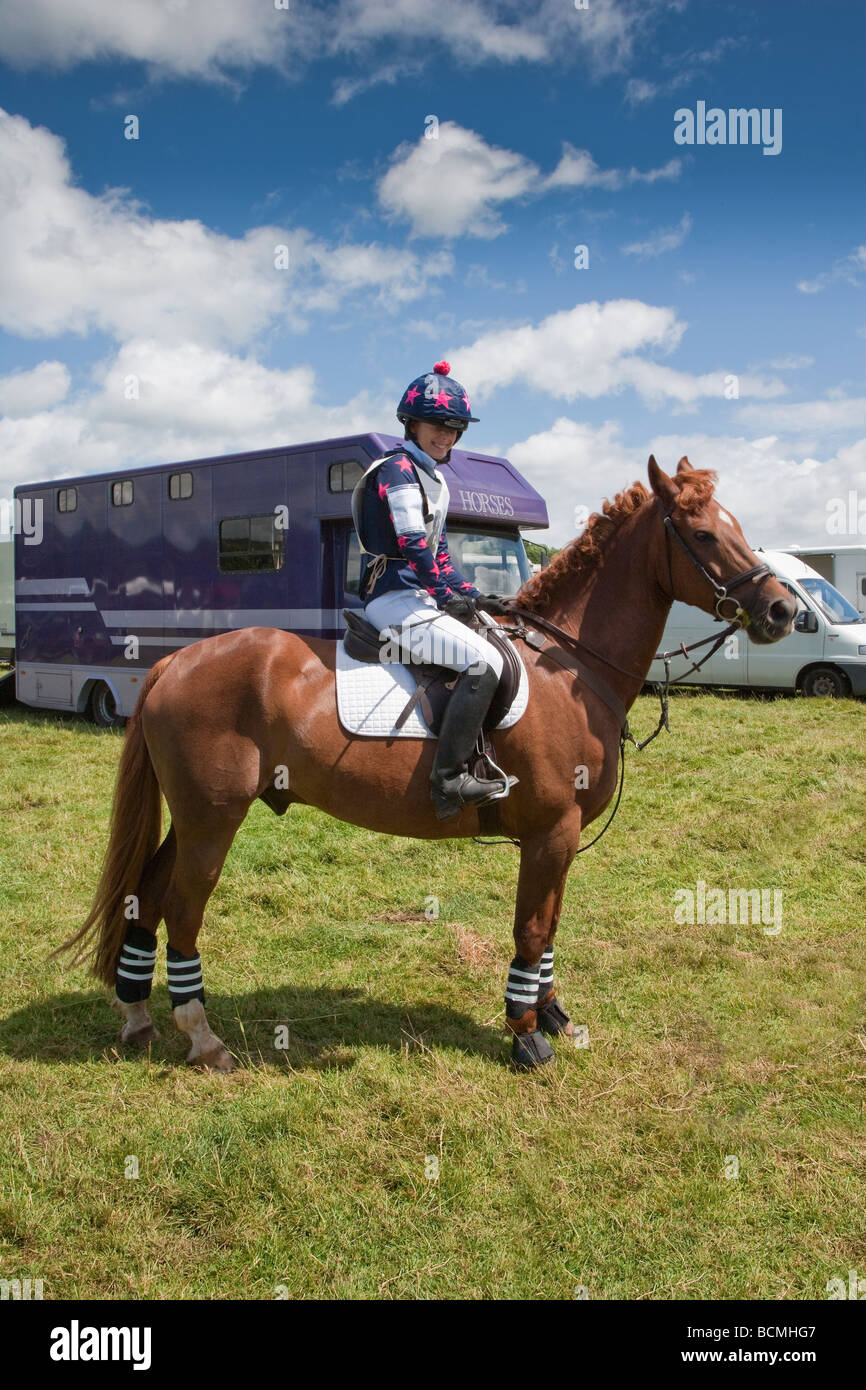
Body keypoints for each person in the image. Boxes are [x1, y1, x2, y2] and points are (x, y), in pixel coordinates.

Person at [351, 361, 515, 820]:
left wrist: (475, 595)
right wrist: (445, 597)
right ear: (412, 424)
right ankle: (448, 781)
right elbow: (411, 543)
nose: (446, 437)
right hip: (394, 599)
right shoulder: (397, 470)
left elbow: (439, 552)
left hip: (418, 596)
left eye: (454, 430)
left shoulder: (433, 478)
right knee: (483, 663)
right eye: (437, 427)